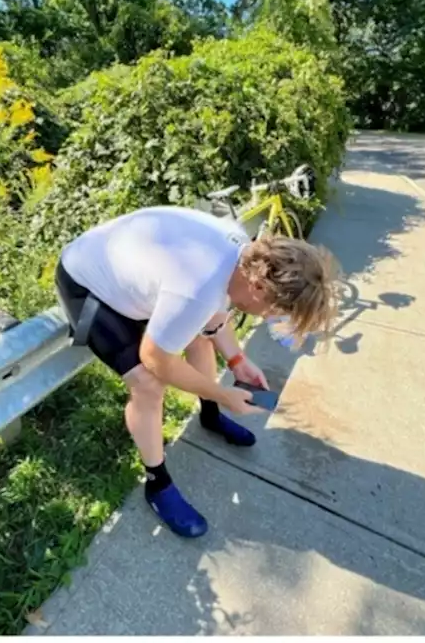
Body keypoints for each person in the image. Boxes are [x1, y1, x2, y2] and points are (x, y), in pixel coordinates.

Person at [53, 206, 340, 538]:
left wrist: (237, 361)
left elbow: (215, 318)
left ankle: (210, 415)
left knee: (201, 342)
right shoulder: (198, 287)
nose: (267, 317)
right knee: (147, 386)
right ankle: (157, 484)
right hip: (87, 285)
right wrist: (222, 391)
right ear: (260, 289)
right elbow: (155, 359)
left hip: (132, 274)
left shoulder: (243, 258)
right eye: (275, 311)